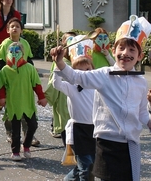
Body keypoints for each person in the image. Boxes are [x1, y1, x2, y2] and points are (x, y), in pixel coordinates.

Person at [50, 15, 151, 181]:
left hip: (131, 145)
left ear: (140, 56)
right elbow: (76, 77)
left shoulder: (141, 82)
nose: (126, 53)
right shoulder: (104, 75)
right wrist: (60, 62)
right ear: (113, 51)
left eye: (132, 50)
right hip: (107, 144)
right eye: (122, 48)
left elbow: (142, 114)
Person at [0, 42, 47, 161]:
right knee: (15, 130)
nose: (14, 54)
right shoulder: (5, 70)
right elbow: (2, 86)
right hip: (13, 105)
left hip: (27, 103)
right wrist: (2, 98)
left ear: (23, 53)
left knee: (33, 125)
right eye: (11, 51)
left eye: (17, 51)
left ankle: (26, 146)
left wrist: (41, 97)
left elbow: (36, 84)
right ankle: (15, 151)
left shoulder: (29, 68)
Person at [0, 17, 40, 146]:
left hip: (23, 80)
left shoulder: (25, 44)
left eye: (17, 26)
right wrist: (0, 85)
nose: (15, 28)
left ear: (21, 30)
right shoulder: (4, 44)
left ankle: (29, 135)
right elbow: (0, 63)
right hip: (10, 81)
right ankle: (10, 133)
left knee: (27, 109)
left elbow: (29, 61)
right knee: (11, 111)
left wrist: (32, 76)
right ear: (7, 30)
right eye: (12, 26)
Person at [53, 56, 95, 181]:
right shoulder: (71, 86)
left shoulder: (97, 85)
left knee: (90, 163)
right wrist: (57, 67)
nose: (84, 73)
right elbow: (56, 84)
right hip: (78, 130)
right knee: (86, 167)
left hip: (95, 129)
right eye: (79, 70)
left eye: (87, 69)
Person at [45, 31, 76, 144]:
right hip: (63, 97)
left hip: (78, 98)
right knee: (64, 123)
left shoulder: (79, 59)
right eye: (69, 40)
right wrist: (49, 97)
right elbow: (53, 80)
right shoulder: (59, 61)